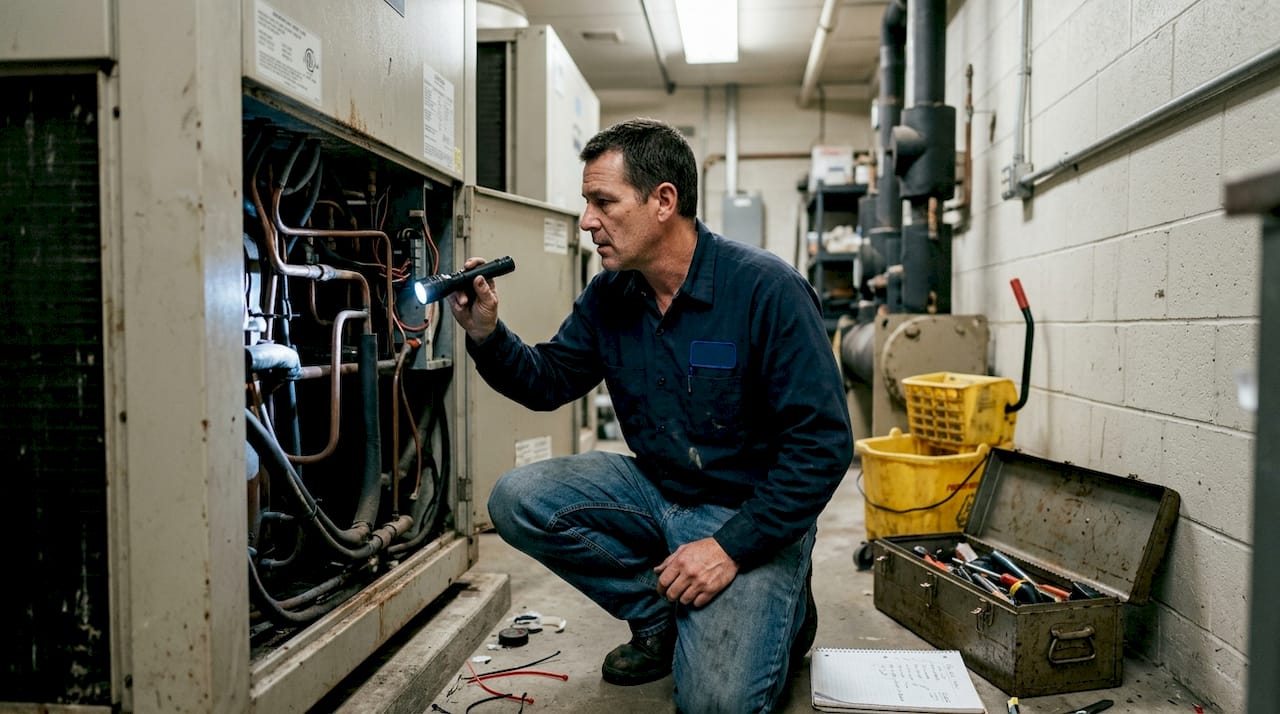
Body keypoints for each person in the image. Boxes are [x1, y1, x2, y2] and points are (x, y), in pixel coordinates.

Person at [447, 117, 853, 713]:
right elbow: (548, 381)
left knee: (718, 704)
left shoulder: (767, 291)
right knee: (518, 497)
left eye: (602, 202)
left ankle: (786, 610)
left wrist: (728, 548)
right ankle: (660, 616)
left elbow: (822, 447)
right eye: (588, 203)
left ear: (664, 201)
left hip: (748, 512)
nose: (588, 221)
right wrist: (485, 333)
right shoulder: (612, 294)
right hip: (656, 489)